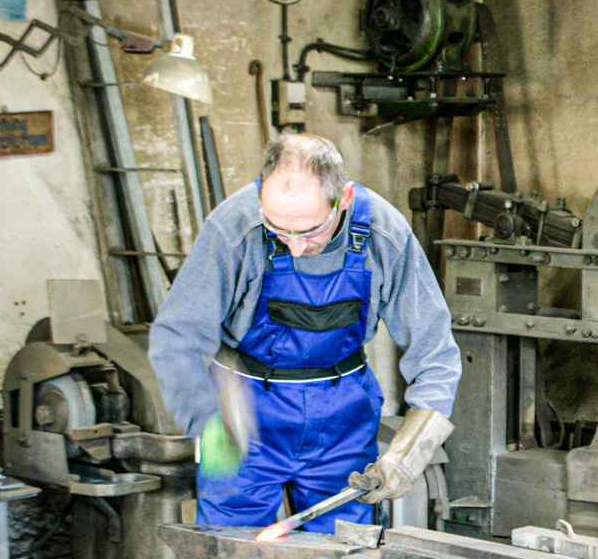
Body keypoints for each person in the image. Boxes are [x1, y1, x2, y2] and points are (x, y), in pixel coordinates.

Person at [149, 133, 459, 533]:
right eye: (278, 230)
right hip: (246, 416)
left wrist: (410, 453)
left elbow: (436, 354)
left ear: (344, 198)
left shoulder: (385, 234)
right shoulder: (235, 227)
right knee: (229, 556)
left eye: (311, 232)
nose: (294, 247)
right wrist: (206, 425)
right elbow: (178, 336)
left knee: (340, 555)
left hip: (341, 418)